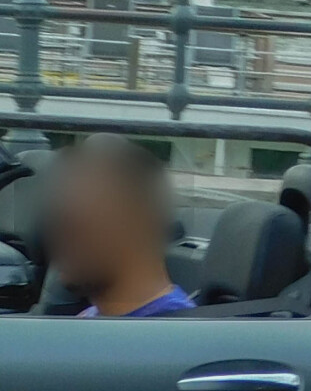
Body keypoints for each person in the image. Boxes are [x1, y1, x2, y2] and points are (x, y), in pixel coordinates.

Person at [43, 134, 196, 318]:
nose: (61, 237)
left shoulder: (169, 336)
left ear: (142, 223)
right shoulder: (95, 317)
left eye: (78, 220)